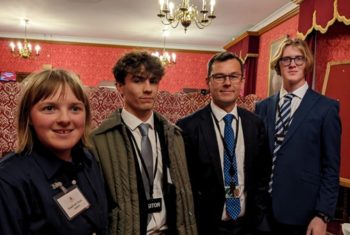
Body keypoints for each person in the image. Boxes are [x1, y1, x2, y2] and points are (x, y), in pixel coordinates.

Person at [90, 51, 197, 235]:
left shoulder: (175, 135)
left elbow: (184, 197)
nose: (148, 89)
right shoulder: (98, 141)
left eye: (153, 81)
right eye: (138, 80)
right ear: (120, 87)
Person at [0, 69, 109, 234]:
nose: (65, 119)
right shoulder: (8, 180)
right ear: (28, 117)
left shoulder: (88, 160)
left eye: (75, 108)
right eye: (49, 108)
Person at [176, 51, 272, 235]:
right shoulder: (188, 127)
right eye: (219, 76)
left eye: (233, 76)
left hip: (248, 225)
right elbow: (185, 184)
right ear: (208, 82)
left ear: (242, 81)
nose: (227, 82)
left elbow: (262, 177)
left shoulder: (256, 124)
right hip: (206, 226)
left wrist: (259, 217)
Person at [255, 38, 341, 235]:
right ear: (278, 65)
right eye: (286, 60)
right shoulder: (263, 107)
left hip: (302, 215)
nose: (292, 64)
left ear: (306, 63)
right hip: (261, 215)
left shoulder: (326, 109)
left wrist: (322, 215)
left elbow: (331, 168)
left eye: (298, 59)